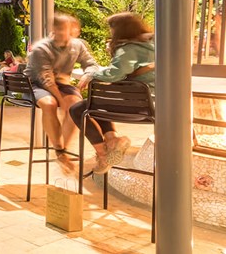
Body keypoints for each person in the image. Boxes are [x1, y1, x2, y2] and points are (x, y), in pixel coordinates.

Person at [70, 13, 155, 174]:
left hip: (138, 106)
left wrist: (91, 75)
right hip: (154, 104)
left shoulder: (129, 48)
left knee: (77, 109)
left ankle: (103, 153)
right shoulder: (152, 44)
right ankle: (113, 140)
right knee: (99, 104)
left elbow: (114, 74)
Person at [24, 13, 99, 169]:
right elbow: (46, 78)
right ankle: (59, 150)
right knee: (49, 104)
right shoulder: (41, 49)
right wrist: (61, 99)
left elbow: (91, 64)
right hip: (36, 83)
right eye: (63, 28)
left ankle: (61, 149)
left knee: (75, 106)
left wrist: (87, 74)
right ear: (55, 29)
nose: (70, 31)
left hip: (62, 82)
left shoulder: (77, 45)